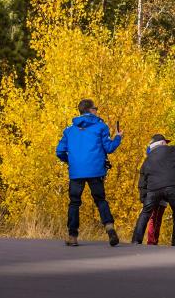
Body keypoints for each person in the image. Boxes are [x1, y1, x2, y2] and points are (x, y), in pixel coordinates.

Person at [55, 98, 123, 247]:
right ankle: (110, 229)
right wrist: (118, 137)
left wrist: (70, 161)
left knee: (74, 203)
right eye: (95, 108)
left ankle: (72, 236)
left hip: (76, 172)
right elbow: (109, 148)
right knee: (100, 200)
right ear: (91, 110)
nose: (97, 110)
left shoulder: (69, 130)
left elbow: (59, 151)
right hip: (96, 170)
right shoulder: (101, 127)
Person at [141, 138, 168, 245]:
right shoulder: (154, 158)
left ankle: (153, 241)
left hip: (162, 192)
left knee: (157, 218)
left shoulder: (161, 157)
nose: (166, 145)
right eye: (164, 143)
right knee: (154, 218)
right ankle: (151, 242)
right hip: (154, 192)